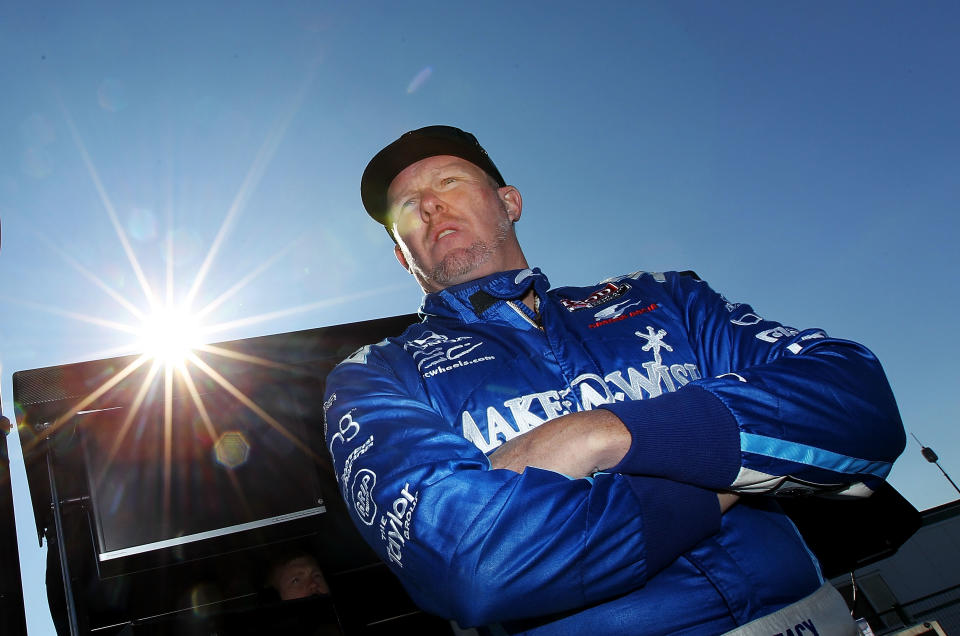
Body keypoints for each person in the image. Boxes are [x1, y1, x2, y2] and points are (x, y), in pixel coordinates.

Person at [322, 125, 906, 635]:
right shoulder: (376, 377)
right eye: (406, 206)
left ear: (509, 202)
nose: (428, 207)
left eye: (449, 181)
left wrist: (606, 431)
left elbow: (858, 404)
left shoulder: (665, 297)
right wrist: (733, 472)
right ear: (402, 255)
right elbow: (475, 565)